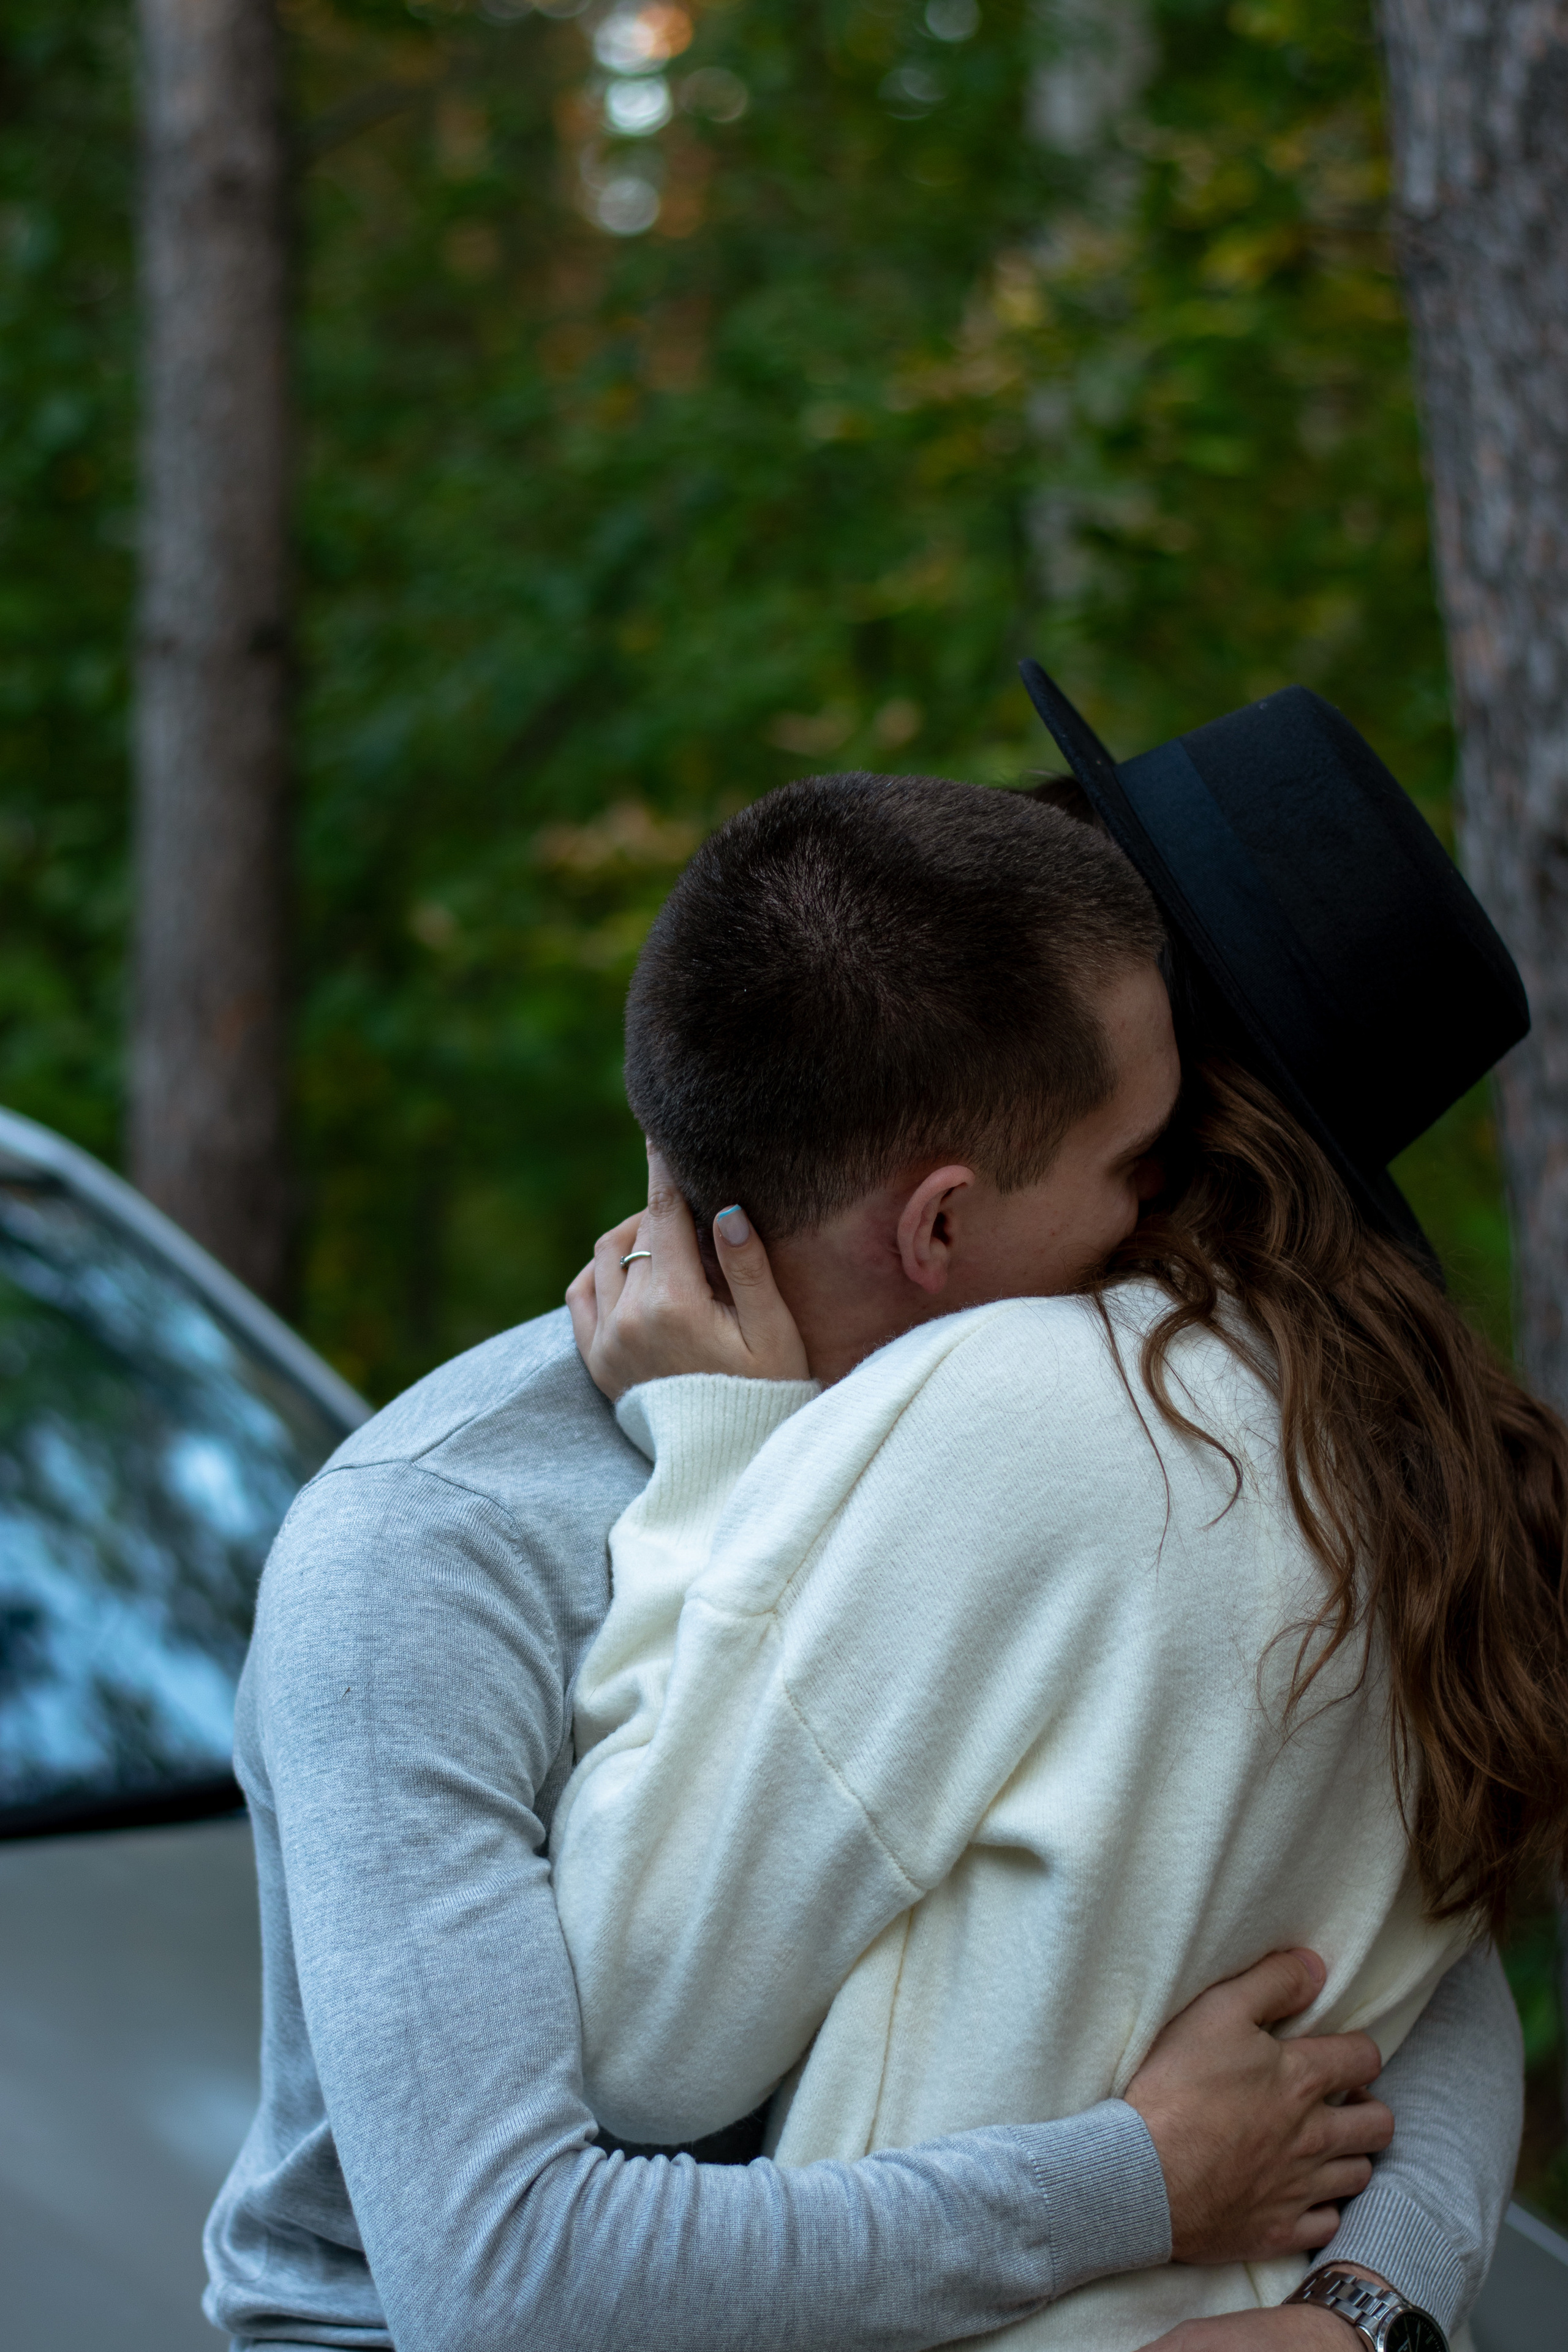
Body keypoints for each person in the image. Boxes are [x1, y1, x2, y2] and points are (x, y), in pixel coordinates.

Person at [202, 683, 1528, 2352]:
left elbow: (1403, 1937)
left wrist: (1360, 2313)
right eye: (1143, 1156)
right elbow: (506, 2280)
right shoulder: (424, 1554)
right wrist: (1138, 2179)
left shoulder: (1108, 1429)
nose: (1175, 1214)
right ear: (946, 1218)